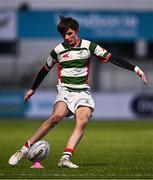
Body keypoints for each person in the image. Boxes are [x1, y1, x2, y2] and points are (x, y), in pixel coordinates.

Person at [8, 15, 147, 168]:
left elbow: (112, 58)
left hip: (82, 92)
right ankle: (22, 151)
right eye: (63, 35)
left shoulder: (89, 46)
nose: (66, 37)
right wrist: (32, 89)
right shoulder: (57, 51)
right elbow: (44, 70)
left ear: (77, 31)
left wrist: (136, 69)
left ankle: (65, 159)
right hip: (65, 90)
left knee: (82, 121)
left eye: (69, 33)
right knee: (56, 117)